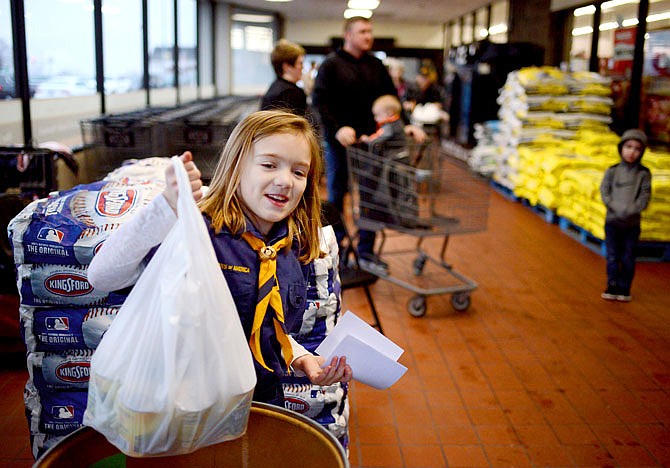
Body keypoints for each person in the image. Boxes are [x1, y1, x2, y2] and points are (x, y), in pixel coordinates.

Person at [87, 110, 353, 407]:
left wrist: (303, 359)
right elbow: (101, 276)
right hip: (183, 409)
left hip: (258, 403)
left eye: (299, 172)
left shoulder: (290, 249)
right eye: (269, 164)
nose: (285, 180)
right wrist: (166, 207)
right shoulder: (199, 230)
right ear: (236, 166)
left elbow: (256, 327)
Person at [312, 16, 425, 273]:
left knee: (373, 199)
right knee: (337, 195)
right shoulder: (331, 65)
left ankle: (366, 253)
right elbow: (320, 102)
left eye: (370, 31)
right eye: (362, 31)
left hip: (373, 145)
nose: (368, 36)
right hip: (341, 142)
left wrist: (405, 123)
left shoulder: (376, 64)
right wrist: (337, 127)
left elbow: (391, 98)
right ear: (348, 35)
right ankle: (334, 250)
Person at [599, 129, 652, 302]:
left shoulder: (644, 174)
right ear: (621, 148)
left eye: (637, 149)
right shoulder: (612, 171)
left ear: (642, 152)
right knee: (613, 255)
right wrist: (614, 207)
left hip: (631, 224)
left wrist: (631, 210)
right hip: (612, 221)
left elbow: (644, 197)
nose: (632, 152)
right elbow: (605, 191)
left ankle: (624, 287)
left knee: (628, 256)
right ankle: (612, 284)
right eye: (628, 147)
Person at [260, 39, 308, 117]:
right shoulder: (291, 93)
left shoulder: (275, 86)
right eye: (300, 63)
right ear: (287, 66)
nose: (302, 67)